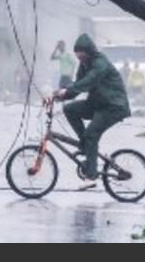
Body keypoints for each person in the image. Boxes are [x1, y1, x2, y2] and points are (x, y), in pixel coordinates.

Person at [48, 33, 131, 190]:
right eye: (78, 57)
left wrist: (67, 90)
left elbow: (90, 80)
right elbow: (78, 86)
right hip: (98, 104)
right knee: (70, 109)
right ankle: (87, 146)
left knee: (92, 134)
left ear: (89, 52)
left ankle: (91, 176)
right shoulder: (83, 65)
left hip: (113, 106)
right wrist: (59, 95)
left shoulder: (100, 63)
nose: (81, 60)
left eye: (83, 57)